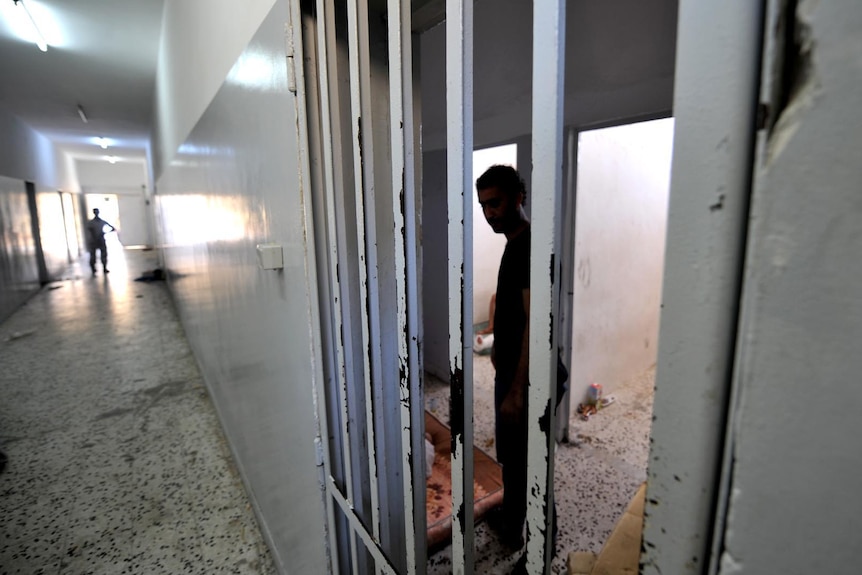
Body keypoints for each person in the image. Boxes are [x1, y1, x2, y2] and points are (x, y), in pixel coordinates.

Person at [478, 165, 560, 573]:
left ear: (517, 197)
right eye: (483, 206)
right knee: (513, 458)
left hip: (528, 380)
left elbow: (536, 321)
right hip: (512, 372)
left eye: (495, 202)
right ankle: (512, 525)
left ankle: (541, 551)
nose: (489, 213)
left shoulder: (528, 246)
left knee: (533, 466)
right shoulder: (515, 244)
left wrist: (517, 389)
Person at [86, 208, 116, 276]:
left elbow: (113, 228)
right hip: (94, 241)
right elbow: (90, 230)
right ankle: (93, 269)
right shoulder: (91, 222)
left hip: (100, 240)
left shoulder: (101, 221)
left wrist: (104, 233)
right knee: (93, 256)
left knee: (103, 255)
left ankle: (104, 268)